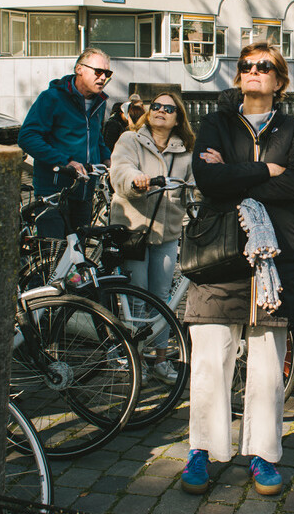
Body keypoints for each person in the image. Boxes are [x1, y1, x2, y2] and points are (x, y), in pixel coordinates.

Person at [181, 43, 294, 497]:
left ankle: (262, 452)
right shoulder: (215, 122)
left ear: (279, 80)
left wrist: (237, 173)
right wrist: (264, 169)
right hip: (218, 255)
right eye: (246, 66)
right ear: (238, 76)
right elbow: (207, 180)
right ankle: (202, 447)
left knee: (265, 367)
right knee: (210, 359)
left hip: (274, 259)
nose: (254, 72)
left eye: (265, 67)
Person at [107, 91, 194, 381]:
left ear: (178, 118)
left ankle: (160, 360)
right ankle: (137, 360)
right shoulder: (130, 140)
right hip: (133, 231)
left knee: (163, 298)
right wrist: (135, 180)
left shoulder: (185, 151)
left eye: (169, 108)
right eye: (156, 105)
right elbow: (120, 169)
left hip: (167, 233)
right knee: (137, 300)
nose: (161, 111)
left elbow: (193, 188)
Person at [18, 49, 113, 239]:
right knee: (55, 254)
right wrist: (65, 161)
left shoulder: (99, 102)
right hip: (54, 192)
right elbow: (27, 137)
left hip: (85, 192)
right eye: (98, 72)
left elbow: (96, 137)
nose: (103, 78)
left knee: (77, 255)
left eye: (107, 74)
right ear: (79, 69)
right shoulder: (52, 98)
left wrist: (108, 158)